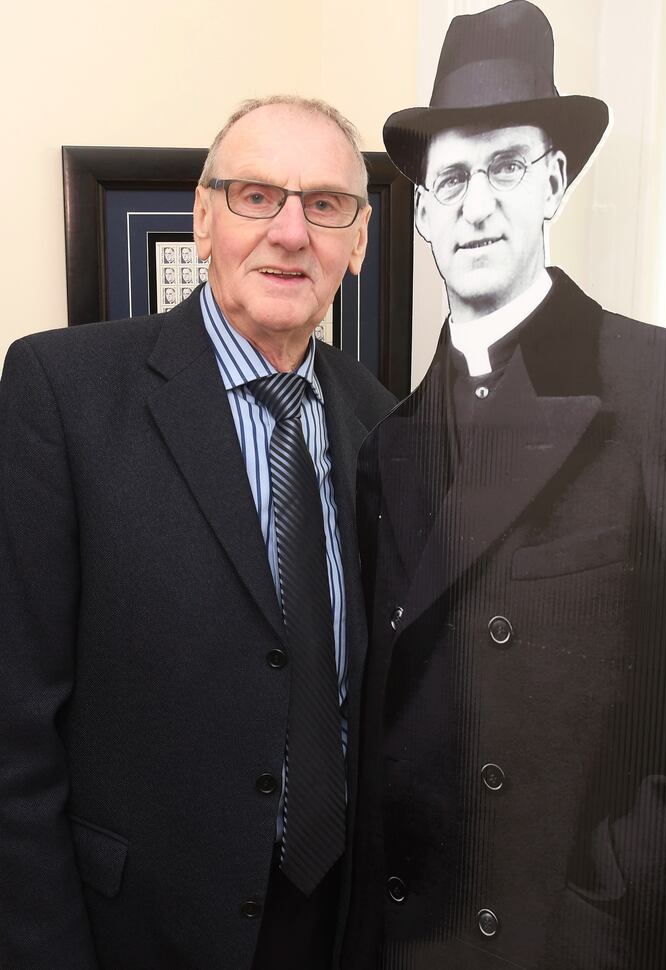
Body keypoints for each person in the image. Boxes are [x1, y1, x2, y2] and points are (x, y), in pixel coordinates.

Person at [342, 3, 666, 969]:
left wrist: (620, 904)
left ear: (553, 182)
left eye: (506, 167)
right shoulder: (387, 449)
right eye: (451, 179)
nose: (477, 205)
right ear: (421, 213)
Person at [0, 95, 395, 970]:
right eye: (257, 196)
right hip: (133, 927)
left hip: (333, 922)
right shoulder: (62, 393)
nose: (290, 232)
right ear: (203, 218)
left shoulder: (383, 425)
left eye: (326, 204)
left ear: (358, 241)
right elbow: (14, 729)